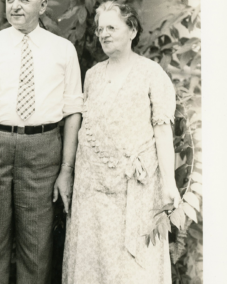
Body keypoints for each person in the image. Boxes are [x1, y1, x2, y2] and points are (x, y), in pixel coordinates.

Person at [0, 0, 83, 283]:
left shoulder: (62, 49)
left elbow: (74, 111)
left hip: (43, 150)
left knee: (37, 245)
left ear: (42, 6)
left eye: (25, 0)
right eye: (10, 0)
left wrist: (66, 169)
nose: (15, 6)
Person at [62, 1, 181, 284]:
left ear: (132, 30)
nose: (103, 34)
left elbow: (163, 131)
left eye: (111, 27)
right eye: (100, 29)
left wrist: (169, 184)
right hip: (91, 191)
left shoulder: (152, 74)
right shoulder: (91, 76)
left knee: (132, 269)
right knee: (94, 261)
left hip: (134, 192)